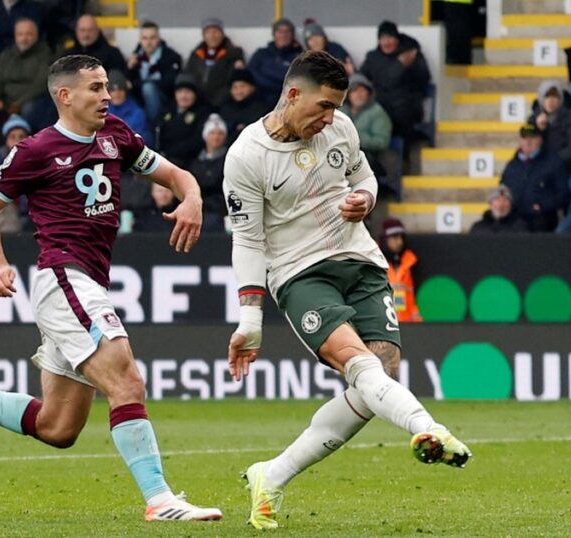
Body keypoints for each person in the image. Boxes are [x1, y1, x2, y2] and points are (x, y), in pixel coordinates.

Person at [0, 54, 222, 522]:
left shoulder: (116, 135)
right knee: (128, 380)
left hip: (89, 281)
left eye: (107, 86)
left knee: (58, 426)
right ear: (65, 95)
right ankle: (160, 500)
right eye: (95, 88)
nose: (106, 95)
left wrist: (192, 198)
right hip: (63, 278)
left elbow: (176, 176)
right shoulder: (35, 150)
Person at [223, 50, 470, 530]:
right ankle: (428, 428)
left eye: (336, 107)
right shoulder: (246, 156)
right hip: (299, 274)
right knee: (364, 366)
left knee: (379, 375)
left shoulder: (340, 129)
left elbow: (364, 176)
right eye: (323, 106)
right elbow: (249, 239)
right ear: (292, 95)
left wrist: (367, 198)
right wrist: (250, 319)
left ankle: (271, 475)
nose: (330, 118)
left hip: (362, 262)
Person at [360, 20, 431, 141]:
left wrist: (405, 65)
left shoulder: (412, 54)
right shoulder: (373, 57)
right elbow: (365, 78)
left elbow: (424, 78)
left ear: (397, 39)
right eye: (383, 38)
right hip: (381, 106)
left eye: (390, 38)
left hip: (407, 107)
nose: (386, 42)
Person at [500, 123, 570, 231]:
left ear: (540, 140)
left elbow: (563, 193)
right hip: (514, 220)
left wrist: (542, 206)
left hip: (542, 221)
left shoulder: (553, 163)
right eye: (525, 138)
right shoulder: (512, 165)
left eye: (532, 138)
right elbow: (503, 189)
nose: (528, 142)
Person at [0, 18, 52, 127]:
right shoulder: (6, 54)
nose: (24, 38)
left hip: (31, 101)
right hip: (6, 100)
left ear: (36, 35)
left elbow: (41, 85)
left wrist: (19, 104)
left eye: (28, 34)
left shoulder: (45, 54)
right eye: (20, 34)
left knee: (29, 109)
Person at [127, 21, 183, 127]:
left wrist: (141, 84)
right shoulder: (135, 58)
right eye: (145, 38)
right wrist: (129, 68)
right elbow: (127, 83)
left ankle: (153, 126)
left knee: (148, 88)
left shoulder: (171, 56)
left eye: (152, 38)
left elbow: (170, 83)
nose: (148, 42)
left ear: (158, 39)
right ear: (140, 40)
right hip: (139, 102)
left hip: (165, 100)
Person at [341, 74, 392, 187]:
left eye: (362, 91)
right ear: (348, 95)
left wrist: (358, 138)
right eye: (354, 91)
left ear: (369, 93)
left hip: (369, 159)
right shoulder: (340, 111)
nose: (359, 95)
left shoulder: (377, 112)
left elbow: (382, 142)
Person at [183, 17, 245, 108]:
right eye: (208, 32)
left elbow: (232, 82)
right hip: (197, 103)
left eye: (216, 32)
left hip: (224, 103)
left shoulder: (234, 54)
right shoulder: (195, 55)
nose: (212, 36)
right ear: (203, 35)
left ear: (222, 34)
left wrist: (217, 102)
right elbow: (188, 76)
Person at [157, 73, 212, 168]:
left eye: (187, 92)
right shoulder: (167, 110)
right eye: (180, 91)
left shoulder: (203, 113)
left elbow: (197, 141)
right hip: (163, 158)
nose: (183, 96)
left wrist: (169, 152)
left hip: (189, 162)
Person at [529, 80, 571, 167]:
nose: (551, 101)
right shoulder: (534, 118)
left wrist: (555, 160)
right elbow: (527, 144)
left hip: (564, 165)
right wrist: (538, 129)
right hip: (539, 165)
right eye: (547, 96)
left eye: (555, 96)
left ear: (561, 99)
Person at [377, 218, 423, 323]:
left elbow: (411, 296)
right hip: (383, 324)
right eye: (394, 237)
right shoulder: (375, 262)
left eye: (401, 237)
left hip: (407, 323)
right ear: (385, 239)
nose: (400, 242)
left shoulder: (410, 262)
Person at [247, 18, 302, 106]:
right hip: (260, 99)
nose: (283, 35)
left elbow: (298, 79)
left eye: (287, 32)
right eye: (280, 32)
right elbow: (251, 73)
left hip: (288, 101)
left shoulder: (300, 56)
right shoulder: (261, 54)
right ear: (274, 34)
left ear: (292, 35)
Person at [188, 113, 228, 231]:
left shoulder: (229, 159)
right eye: (212, 133)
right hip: (198, 210)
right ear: (205, 136)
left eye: (220, 133)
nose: (216, 137)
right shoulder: (196, 162)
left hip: (219, 212)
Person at [59, 14, 126, 75]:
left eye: (90, 30)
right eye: (82, 30)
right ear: (76, 31)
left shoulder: (112, 54)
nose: (86, 34)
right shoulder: (67, 56)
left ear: (97, 31)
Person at [218, 69, 270, 145]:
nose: (238, 91)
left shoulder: (262, 107)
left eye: (242, 86)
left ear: (252, 87)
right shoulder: (226, 108)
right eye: (235, 87)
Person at [107, 70, 151, 143]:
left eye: (120, 89)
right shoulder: (102, 113)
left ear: (125, 91)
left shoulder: (138, 113)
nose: (117, 93)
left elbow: (141, 142)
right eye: (113, 90)